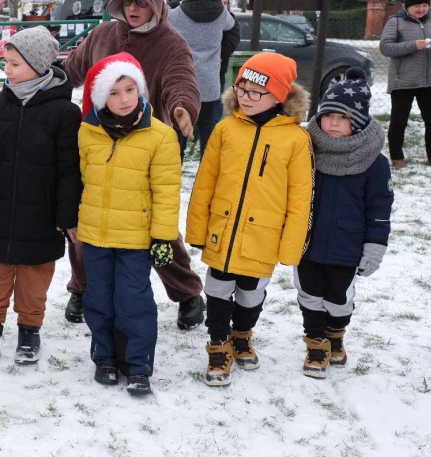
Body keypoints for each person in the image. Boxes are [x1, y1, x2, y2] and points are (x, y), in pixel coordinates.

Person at [63, 0, 205, 332]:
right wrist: (40, 81)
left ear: (157, 3)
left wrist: (182, 108)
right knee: (83, 219)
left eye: (141, 3)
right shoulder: (102, 35)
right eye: (128, 4)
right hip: (96, 141)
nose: (133, 9)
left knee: (153, 224)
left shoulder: (172, 42)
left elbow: (181, 80)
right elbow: (72, 70)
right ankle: (82, 287)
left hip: (144, 146)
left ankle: (187, 292)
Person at [186, 53, 313, 387]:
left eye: (256, 91)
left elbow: (300, 197)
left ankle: (241, 334)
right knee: (216, 288)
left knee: (250, 294)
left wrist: (291, 245)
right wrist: (197, 227)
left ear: (280, 96)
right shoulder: (225, 129)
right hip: (223, 229)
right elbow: (205, 181)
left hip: (264, 235)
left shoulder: (296, 139)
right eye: (242, 88)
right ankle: (218, 344)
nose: (245, 96)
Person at [0, 26, 81, 365]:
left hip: (43, 216)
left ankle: (29, 331)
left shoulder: (64, 112)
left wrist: (65, 216)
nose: (7, 70)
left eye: (15, 64)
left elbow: (70, 170)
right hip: (2, 211)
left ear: (39, 65)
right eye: (6, 62)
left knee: (33, 279)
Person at [77, 53, 180, 395]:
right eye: (114, 92)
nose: (123, 99)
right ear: (99, 97)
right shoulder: (88, 133)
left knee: (134, 302)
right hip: (95, 235)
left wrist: (163, 237)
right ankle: (105, 358)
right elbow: (78, 180)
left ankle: (138, 365)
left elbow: (166, 190)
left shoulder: (160, 136)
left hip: (136, 238)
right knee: (99, 300)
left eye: (129, 89)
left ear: (140, 91)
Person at [296, 69, 392, 378]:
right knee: (309, 294)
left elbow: (379, 208)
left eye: (343, 117)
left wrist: (374, 248)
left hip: (346, 247)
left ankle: (336, 334)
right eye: (328, 115)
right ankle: (316, 343)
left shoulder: (374, 162)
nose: (334, 123)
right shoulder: (306, 150)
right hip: (307, 244)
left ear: (360, 121)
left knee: (339, 300)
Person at [379, 0, 431, 169]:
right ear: (407, 7)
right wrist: (413, 45)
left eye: (425, 5)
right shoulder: (396, 21)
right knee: (399, 122)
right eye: (417, 5)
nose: (421, 9)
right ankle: (397, 158)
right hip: (404, 81)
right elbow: (385, 47)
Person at [170, 0, 238, 157]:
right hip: (210, 86)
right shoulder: (222, 14)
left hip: (184, 85)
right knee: (210, 144)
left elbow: (163, 18)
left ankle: (175, 178)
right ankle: (206, 182)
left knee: (178, 141)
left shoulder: (178, 14)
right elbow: (232, 26)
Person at [215, 0, 241, 94]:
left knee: (216, 104)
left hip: (219, 72)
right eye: (220, 2)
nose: (223, 5)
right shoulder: (207, 19)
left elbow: (230, 44)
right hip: (196, 73)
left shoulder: (232, 22)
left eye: (225, 3)